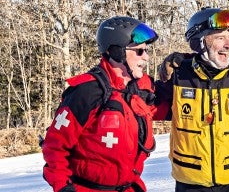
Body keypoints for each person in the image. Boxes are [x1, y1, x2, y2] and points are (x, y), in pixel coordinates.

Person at [42, 16, 162, 192]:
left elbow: (172, 109)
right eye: (139, 51)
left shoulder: (138, 90)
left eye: (146, 50)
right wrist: (63, 187)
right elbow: (55, 146)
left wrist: (186, 68)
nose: (146, 57)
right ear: (117, 52)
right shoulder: (87, 91)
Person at [155, 7, 229, 192]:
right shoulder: (179, 77)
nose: (228, 45)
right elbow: (142, 103)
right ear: (199, 42)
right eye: (220, 37)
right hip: (191, 183)